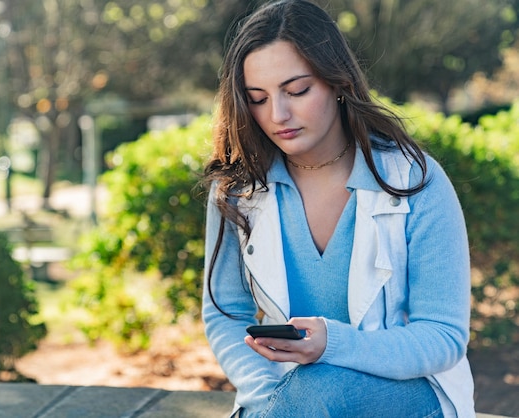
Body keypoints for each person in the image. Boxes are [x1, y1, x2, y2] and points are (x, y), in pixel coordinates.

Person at [201, 1, 475, 417]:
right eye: (257, 98)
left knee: (325, 388)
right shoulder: (237, 189)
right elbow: (224, 314)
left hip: (409, 393)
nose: (278, 115)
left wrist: (335, 343)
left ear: (337, 82)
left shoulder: (416, 180)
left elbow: (443, 335)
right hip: (293, 398)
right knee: (313, 393)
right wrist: (264, 398)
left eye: (297, 91)